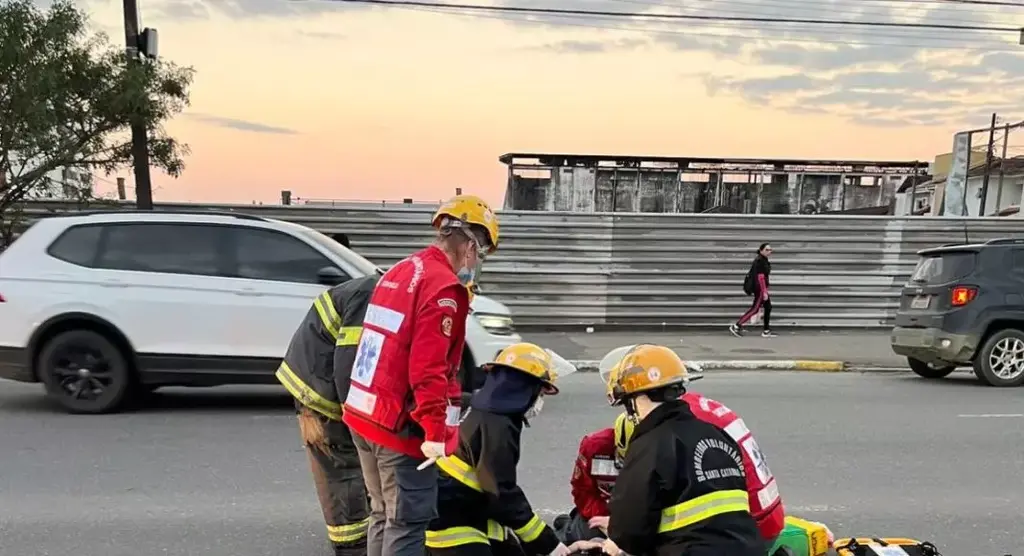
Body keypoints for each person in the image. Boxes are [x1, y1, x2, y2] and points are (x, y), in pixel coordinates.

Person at [342, 194, 500, 556]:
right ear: (470, 244)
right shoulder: (444, 289)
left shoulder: (403, 270)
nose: (479, 261)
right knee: (407, 523)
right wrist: (433, 428)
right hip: (399, 426)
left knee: (383, 514)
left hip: (365, 413)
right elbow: (428, 368)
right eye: (483, 251)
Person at [562, 346, 786, 553]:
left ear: (635, 399)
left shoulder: (650, 445)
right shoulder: (716, 434)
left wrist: (613, 542)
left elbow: (629, 533)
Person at [425, 342, 582, 556]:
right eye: (540, 393)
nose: (539, 401)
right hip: (452, 523)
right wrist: (550, 545)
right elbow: (502, 492)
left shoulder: (478, 405)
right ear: (527, 388)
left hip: (457, 507)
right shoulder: (499, 424)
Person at [275, 274, 379, 556]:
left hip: (316, 373)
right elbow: (351, 361)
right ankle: (351, 546)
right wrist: (355, 415)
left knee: (350, 465)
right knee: (342, 466)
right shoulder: (372, 297)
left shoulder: (379, 290)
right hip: (318, 388)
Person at [731, 243, 775, 338]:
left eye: (770, 250)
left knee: (768, 307)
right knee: (755, 309)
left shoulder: (763, 260)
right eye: (767, 250)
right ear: (761, 250)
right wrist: (764, 291)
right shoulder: (760, 261)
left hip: (761, 288)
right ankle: (736, 326)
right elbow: (761, 277)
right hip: (759, 289)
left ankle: (766, 330)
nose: (769, 252)